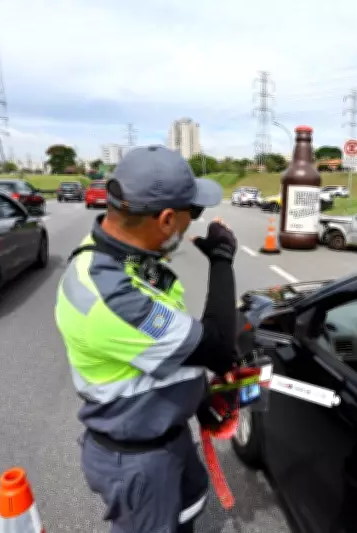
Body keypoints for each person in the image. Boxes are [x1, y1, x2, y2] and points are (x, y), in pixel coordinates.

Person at [54, 145, 240, 533]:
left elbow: (155, 357)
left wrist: (197, 395)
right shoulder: (113, 295)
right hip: (141, 460)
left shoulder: (117, 260)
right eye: (195, 213)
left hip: (162, 436)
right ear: (168, 219)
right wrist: (222, 258)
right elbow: (220, 347)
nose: (195, 222)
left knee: (187, 514)